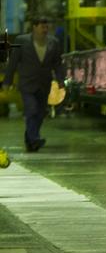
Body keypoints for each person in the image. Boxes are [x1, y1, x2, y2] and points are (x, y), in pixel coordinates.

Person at [3, 15, 65, 152]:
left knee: (41, 112)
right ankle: (34, 138)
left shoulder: (53, 42)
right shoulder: (22, 41)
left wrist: (61, 80)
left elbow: (57, 64)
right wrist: (7, 82)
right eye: (42, 26)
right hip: (27, 83)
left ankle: (30, 139)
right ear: (34, 27)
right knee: (31, 109)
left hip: (44, 83)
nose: (45, 29)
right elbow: (12, 63)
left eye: (46, 26)